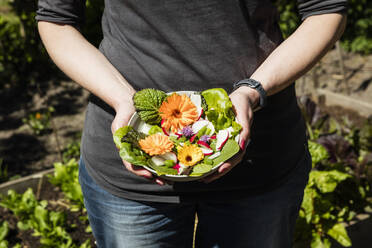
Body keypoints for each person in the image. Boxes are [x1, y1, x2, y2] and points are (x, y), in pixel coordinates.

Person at [36, 0, 347, 247]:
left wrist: (252, 91)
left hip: (258, 162)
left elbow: (324, 11)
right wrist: (122, 100)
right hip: (132, 173)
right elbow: (57, 20)